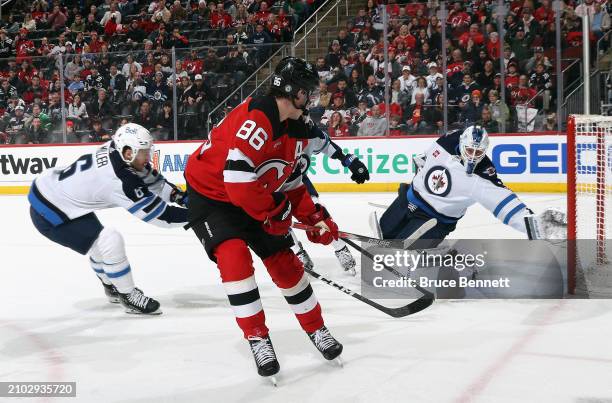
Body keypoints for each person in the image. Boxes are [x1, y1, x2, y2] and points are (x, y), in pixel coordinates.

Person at [184, 57, 343, 382]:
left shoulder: (295, 127)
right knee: (234, 260)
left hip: (255, 195)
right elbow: (236, 182)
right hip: (213, 197)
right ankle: (257, 337)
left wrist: (314, 217)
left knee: (286, 265)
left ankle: (317, 329)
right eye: (308, 94)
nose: (311, 100)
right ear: (296, 92)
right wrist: (274, 214)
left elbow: (290, 180)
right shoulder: (259, 119)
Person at [28, 123, 188, 314]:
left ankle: (111, 285)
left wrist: (181, 197)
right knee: (109, 241)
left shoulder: (118, 151)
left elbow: (156, 184)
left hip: (56, 196)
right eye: (144, 151)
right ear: (128, 152)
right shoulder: (121, 180)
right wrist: (201, 213)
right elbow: (164, 217)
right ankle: (128, 296)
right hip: (48, 212)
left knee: (98, 241)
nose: (148, 156)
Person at [376, 126, 566, 248]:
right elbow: (424, 159)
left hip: (434, 220)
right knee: (384, 234)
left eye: (479, 152)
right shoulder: (447, 141)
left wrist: (535, 225)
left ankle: (452, 258)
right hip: (407, 199)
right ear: (462, 143)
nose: (473, 156)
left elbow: (507, 206)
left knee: (399, 254)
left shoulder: (483, 176)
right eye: (470, 150)